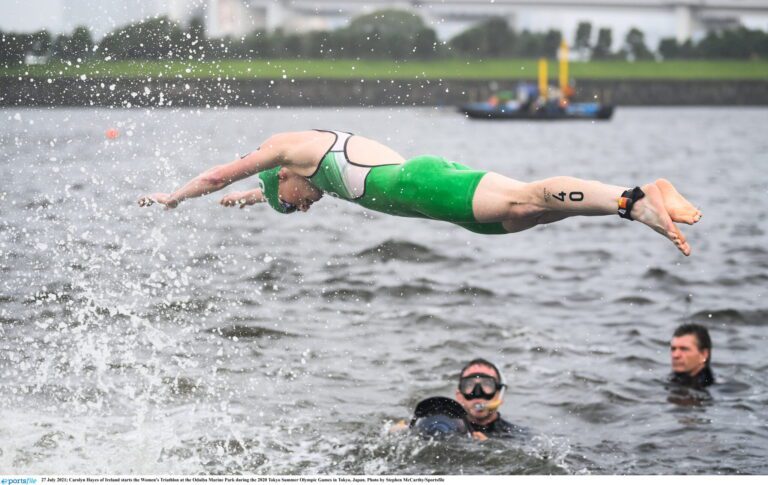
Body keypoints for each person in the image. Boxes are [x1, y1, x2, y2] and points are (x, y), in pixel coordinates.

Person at [138, 129, 702, 256]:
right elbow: (249, 191)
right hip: (430, 201)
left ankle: (633, 200)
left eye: (293, 204)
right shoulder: (301, 175)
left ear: (284, 174)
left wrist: (173, 198)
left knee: (528, 198)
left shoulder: (288, 149)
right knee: (523, 218)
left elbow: (220, 175)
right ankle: (647, 196)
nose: (302, 209)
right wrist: (251, 200)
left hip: (420, 184)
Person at [455, 358, 523, 437]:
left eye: (487, 384)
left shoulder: (518, 435)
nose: (478, 393)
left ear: (500, 395)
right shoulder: (448, 431)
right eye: (469, 384)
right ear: (459, 396)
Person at [669, 323, 715, 388]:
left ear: (703, 355)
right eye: (673, 349)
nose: (675, 355)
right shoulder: (674, 379)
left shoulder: (714, 388)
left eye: (684, 349)